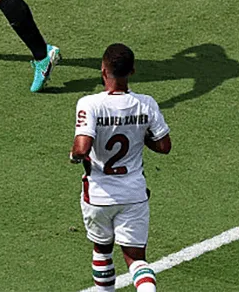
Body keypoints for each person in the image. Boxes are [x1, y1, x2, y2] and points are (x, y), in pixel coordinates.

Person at [70, 43, 171, 292]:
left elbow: (82, 148)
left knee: (102, 249)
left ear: (103, 70)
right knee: (136, 259)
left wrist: (73, 155)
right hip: (134, 193)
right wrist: (139, 134)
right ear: (132, 71)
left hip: (98, 194)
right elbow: (164, 146)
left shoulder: (89, 103)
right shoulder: (146, 104)